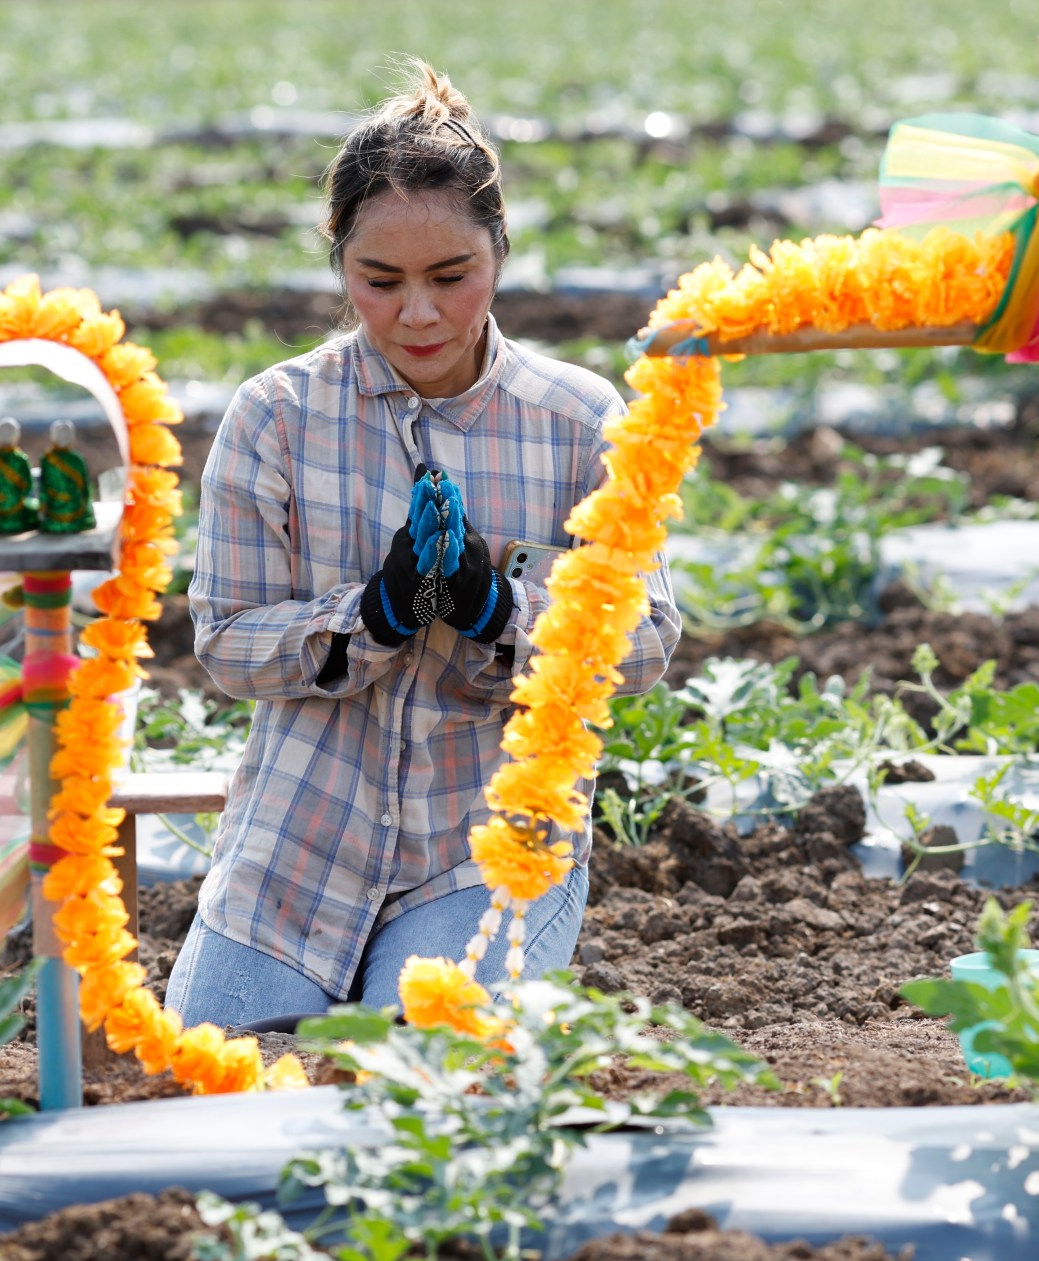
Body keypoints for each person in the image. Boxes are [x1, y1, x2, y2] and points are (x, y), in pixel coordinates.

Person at [164, 61, 680, 1029]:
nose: (419, 313)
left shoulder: (579, 422)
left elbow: (645, 638)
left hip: (486, 842)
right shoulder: (276, 416)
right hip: (297, 847)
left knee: (432, 1062)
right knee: (216, 1071)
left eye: (452, 277)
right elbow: (227, 642)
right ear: (340, 266)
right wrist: (374, 614)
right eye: (380, 281)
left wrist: (498, 611)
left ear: (499, 253)